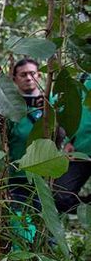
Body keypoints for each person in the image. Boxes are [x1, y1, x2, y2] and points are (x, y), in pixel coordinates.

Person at [7, 58, 48, 204]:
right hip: (16, 175)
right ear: (14, 79)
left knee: (40, 218)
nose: (29, 78)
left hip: (44, 174)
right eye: (23, 75)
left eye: (32, 73)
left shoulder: (52, 103)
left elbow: (62, 136)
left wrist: (46, 111)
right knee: (17, 218)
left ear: (39, 76)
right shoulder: (8, 108)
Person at [54, 74, 91, 212]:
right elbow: (71, 109)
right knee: (60, 196)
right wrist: (68, 140)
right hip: (80, 148)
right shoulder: (85, 76)